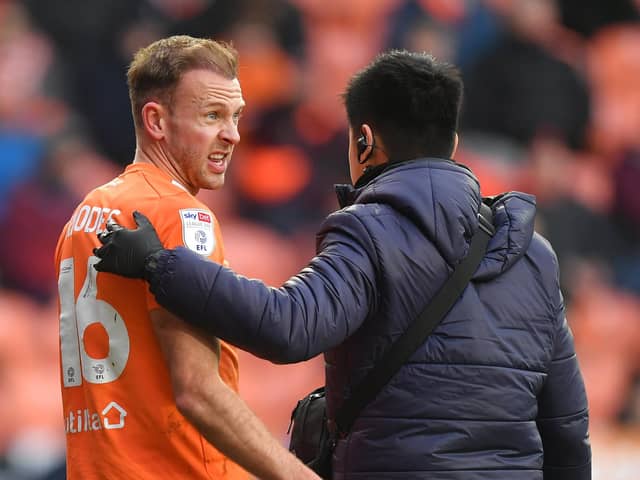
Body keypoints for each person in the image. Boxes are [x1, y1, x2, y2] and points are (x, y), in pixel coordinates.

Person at [94, 50, 592, 479]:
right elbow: (566, 423)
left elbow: (287, 326)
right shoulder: (532, 251)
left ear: (363, 141)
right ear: (454, 145)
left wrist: (159, 263)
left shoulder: (367, 231)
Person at [54, 35, 319, 480]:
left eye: (236, 116)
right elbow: (198, 391)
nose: (233, 134)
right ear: (156, 120)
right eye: (212, 116)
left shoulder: (85, 214)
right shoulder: (180, 215)